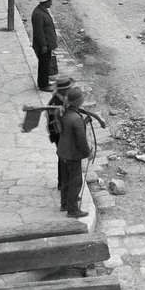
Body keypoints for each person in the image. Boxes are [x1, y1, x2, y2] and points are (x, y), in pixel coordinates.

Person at [58, 87, 91, 218]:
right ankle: (73, 210)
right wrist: (88, 153)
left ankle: (64, 203)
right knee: (76, 181)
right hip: (72, 154)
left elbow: (70, 128)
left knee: (66, 179)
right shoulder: (76, 119)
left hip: (63, 152)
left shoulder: (65, 113)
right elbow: (81, 140)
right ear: (78, 102)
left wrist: (84, 122)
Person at [46, 76, 73, 199]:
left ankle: (62, 183)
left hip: (62, 134)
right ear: (63, 90)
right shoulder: (55, 104)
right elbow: (56, 123)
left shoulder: (61, 100)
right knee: (64, 159)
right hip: (60, 135)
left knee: (63, 159)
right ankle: (63, 184)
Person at [31, 0, 58, 92]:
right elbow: (39, 32)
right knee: (43, 65)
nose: (51, 3)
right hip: (43, 45)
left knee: (46, 64)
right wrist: (43, 45)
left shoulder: (42, 11)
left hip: (47, 44)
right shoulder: (38, 14)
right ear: (45, 2)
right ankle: (43, 85)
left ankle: (45, 80)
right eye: (50, 1)